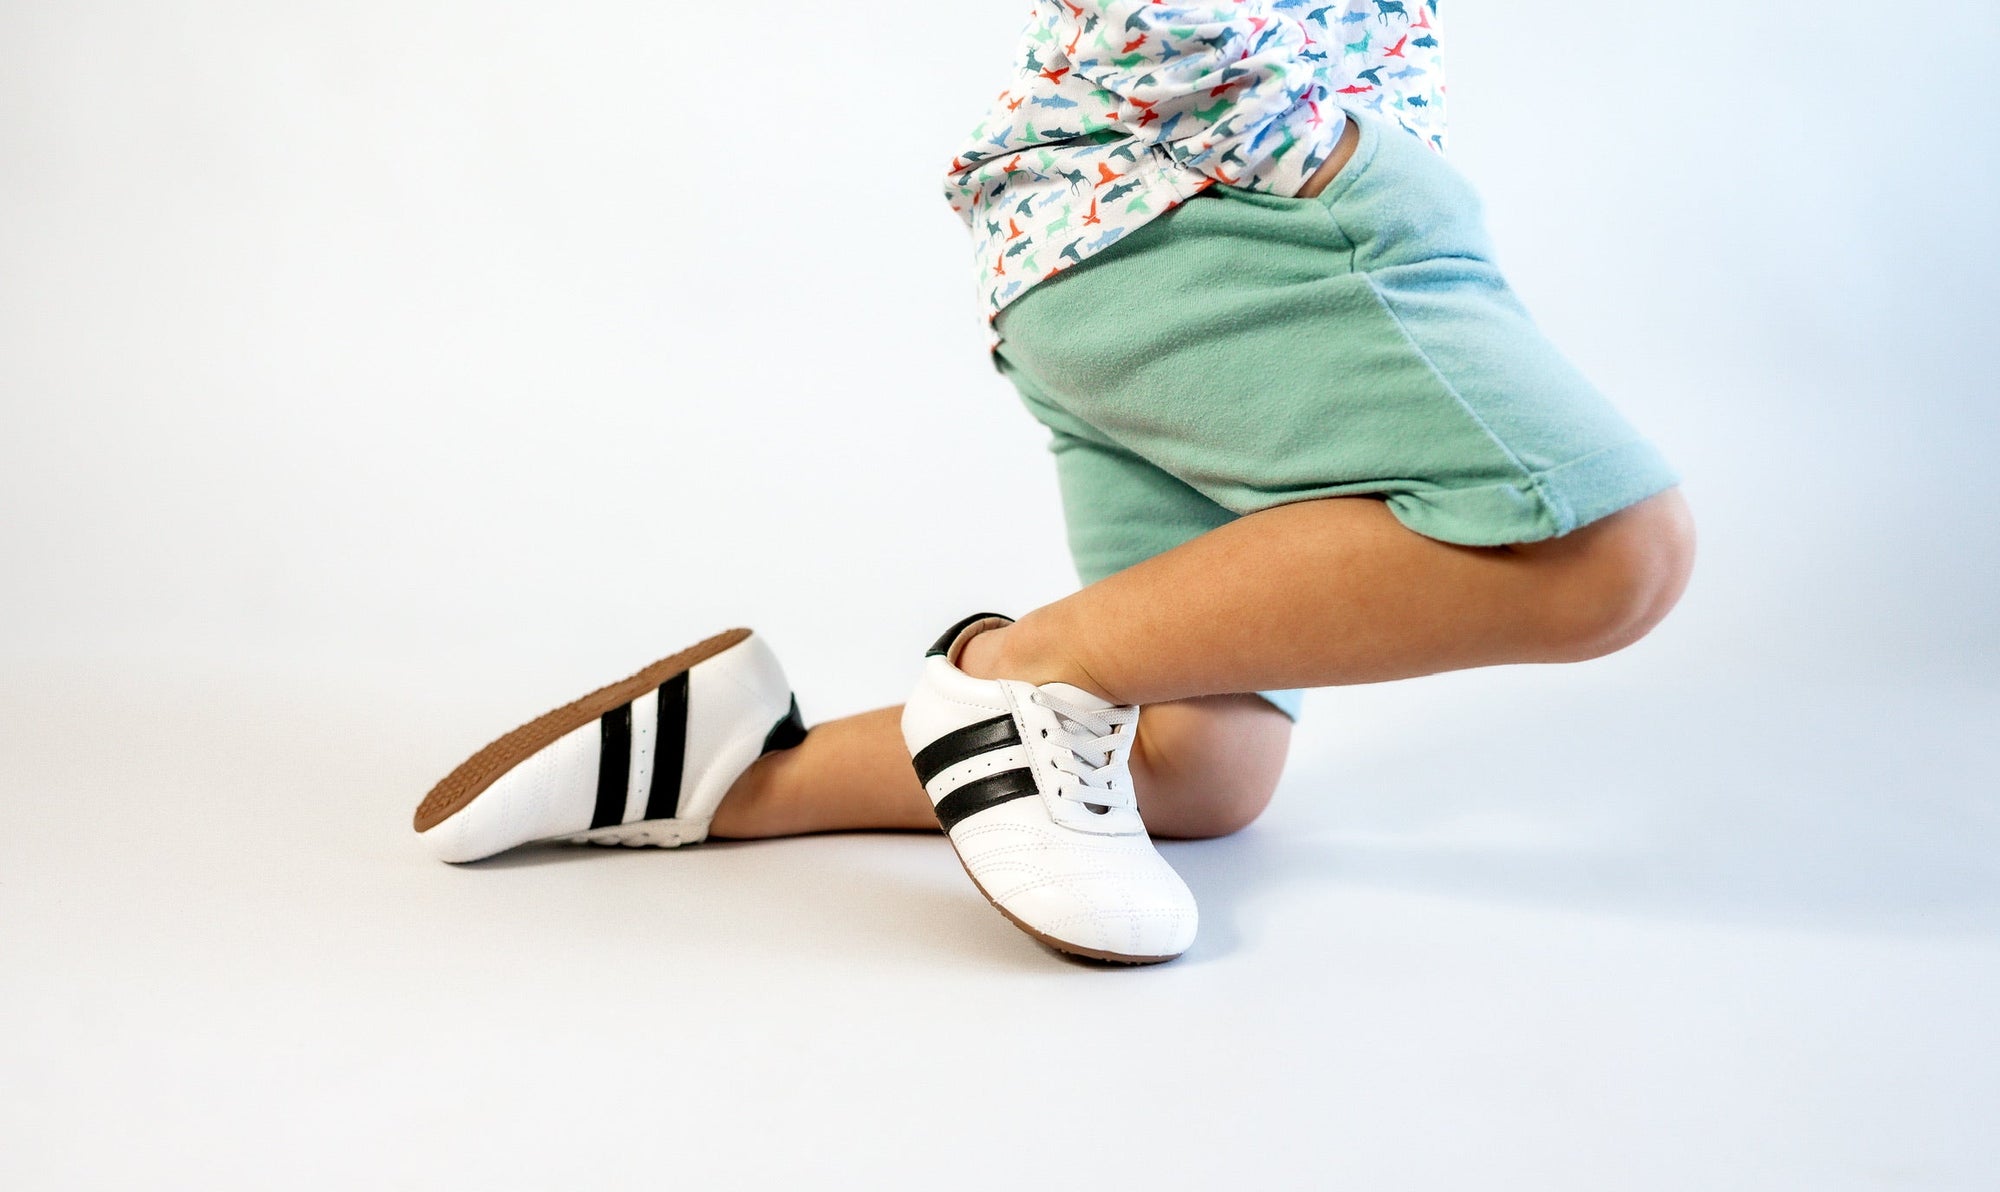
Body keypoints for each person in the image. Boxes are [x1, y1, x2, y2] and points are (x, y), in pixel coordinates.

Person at [413, 1, 1695, 967]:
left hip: (1096, 244)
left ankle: (727, 775)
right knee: (1604, 551)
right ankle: (1012, 674)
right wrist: (1325, 154)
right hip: (1222, 206)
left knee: (1196, 764)